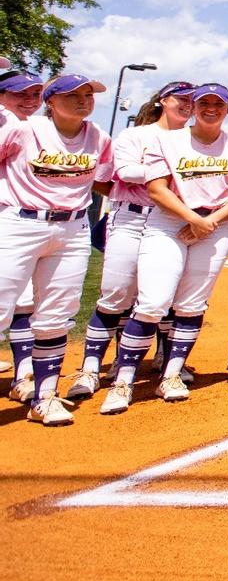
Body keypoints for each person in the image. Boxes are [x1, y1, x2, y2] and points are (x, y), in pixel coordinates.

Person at [102, 83, 228, 413]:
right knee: (153, 302)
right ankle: (123, 380)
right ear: (195, 106)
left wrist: (208, 221)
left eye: (219, 103)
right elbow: (156, 189)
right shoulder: (166, 141)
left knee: (192, 305)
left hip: (215, 226)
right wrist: (192, 219)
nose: (211, 108)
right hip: (168, 223)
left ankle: (171, 375)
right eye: (204, 102)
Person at [63, 80, 196, 403]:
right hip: (132, 217)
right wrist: (173, 173)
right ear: (164, 100)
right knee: (116, 294)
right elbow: (116, 174)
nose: (188, 105)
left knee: (164, 294)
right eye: (182, 99)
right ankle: (91, 368)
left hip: (172, 220)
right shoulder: (136, 135)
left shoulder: (193, 139)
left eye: (193, 100)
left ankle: (163, 361)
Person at [0, 73, 113, 425]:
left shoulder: (99, 137)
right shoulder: (24, 130)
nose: (83, 101)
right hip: (20, 223)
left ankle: (45, 396)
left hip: (73, 229)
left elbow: (106, 181)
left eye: (88, 95)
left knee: (56, 313)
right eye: (72, 95)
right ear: (51, 101)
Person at [0, 69, 46, 386]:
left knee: (23, 300)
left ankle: (25, 373)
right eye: (20, 93)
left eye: (35, 94)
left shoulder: (29, 129)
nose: (29, 101)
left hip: (16, 223)